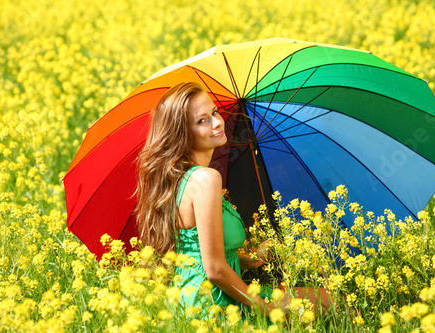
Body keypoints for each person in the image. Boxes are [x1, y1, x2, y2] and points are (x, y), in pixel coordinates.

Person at [135, 82, 331, 316]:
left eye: (214, 112)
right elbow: (215, 270)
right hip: (215, 304)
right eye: (202, 120)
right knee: (332, 303)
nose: (217, 122)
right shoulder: (206, 179)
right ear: (182, 134)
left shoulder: (177, 179)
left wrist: (246, 260)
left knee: (325, 299)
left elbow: (196, 251)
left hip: (191, 297)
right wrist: (266, 309)